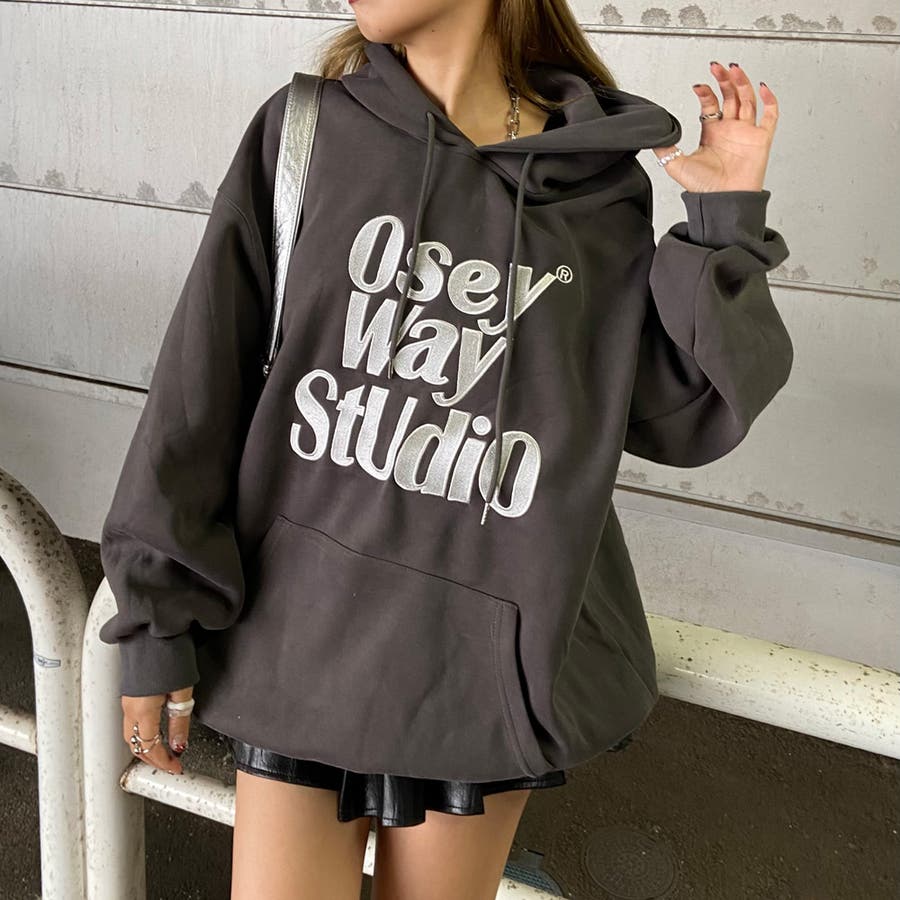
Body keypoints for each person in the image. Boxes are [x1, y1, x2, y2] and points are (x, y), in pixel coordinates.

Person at [96, 1, 791, 897]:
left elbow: (678, 416)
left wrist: (723, 227)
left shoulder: (595, 182)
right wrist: (156, 620)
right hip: (306, 631)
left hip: (480, 658)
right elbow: (198, 390)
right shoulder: (307, 132)